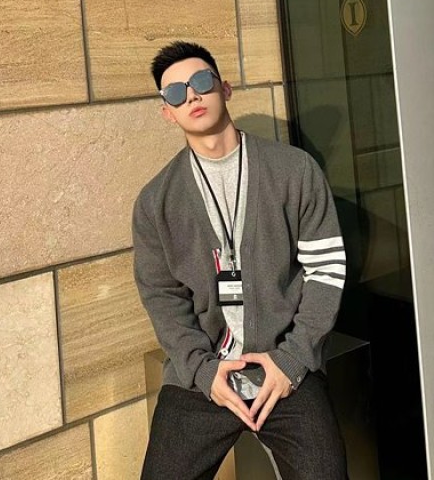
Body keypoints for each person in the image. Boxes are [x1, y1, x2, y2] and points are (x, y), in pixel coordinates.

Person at [132, 41, 348, 479]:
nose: (192, 95)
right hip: (204, 375)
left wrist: (292, 359)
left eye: (201, 81)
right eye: (175, 92)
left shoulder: (294, 170)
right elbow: (162, 297)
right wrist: (201, 370)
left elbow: (325, 270)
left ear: (225, 88)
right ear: (167, 112)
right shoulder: (156, 202)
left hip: (285, 365)